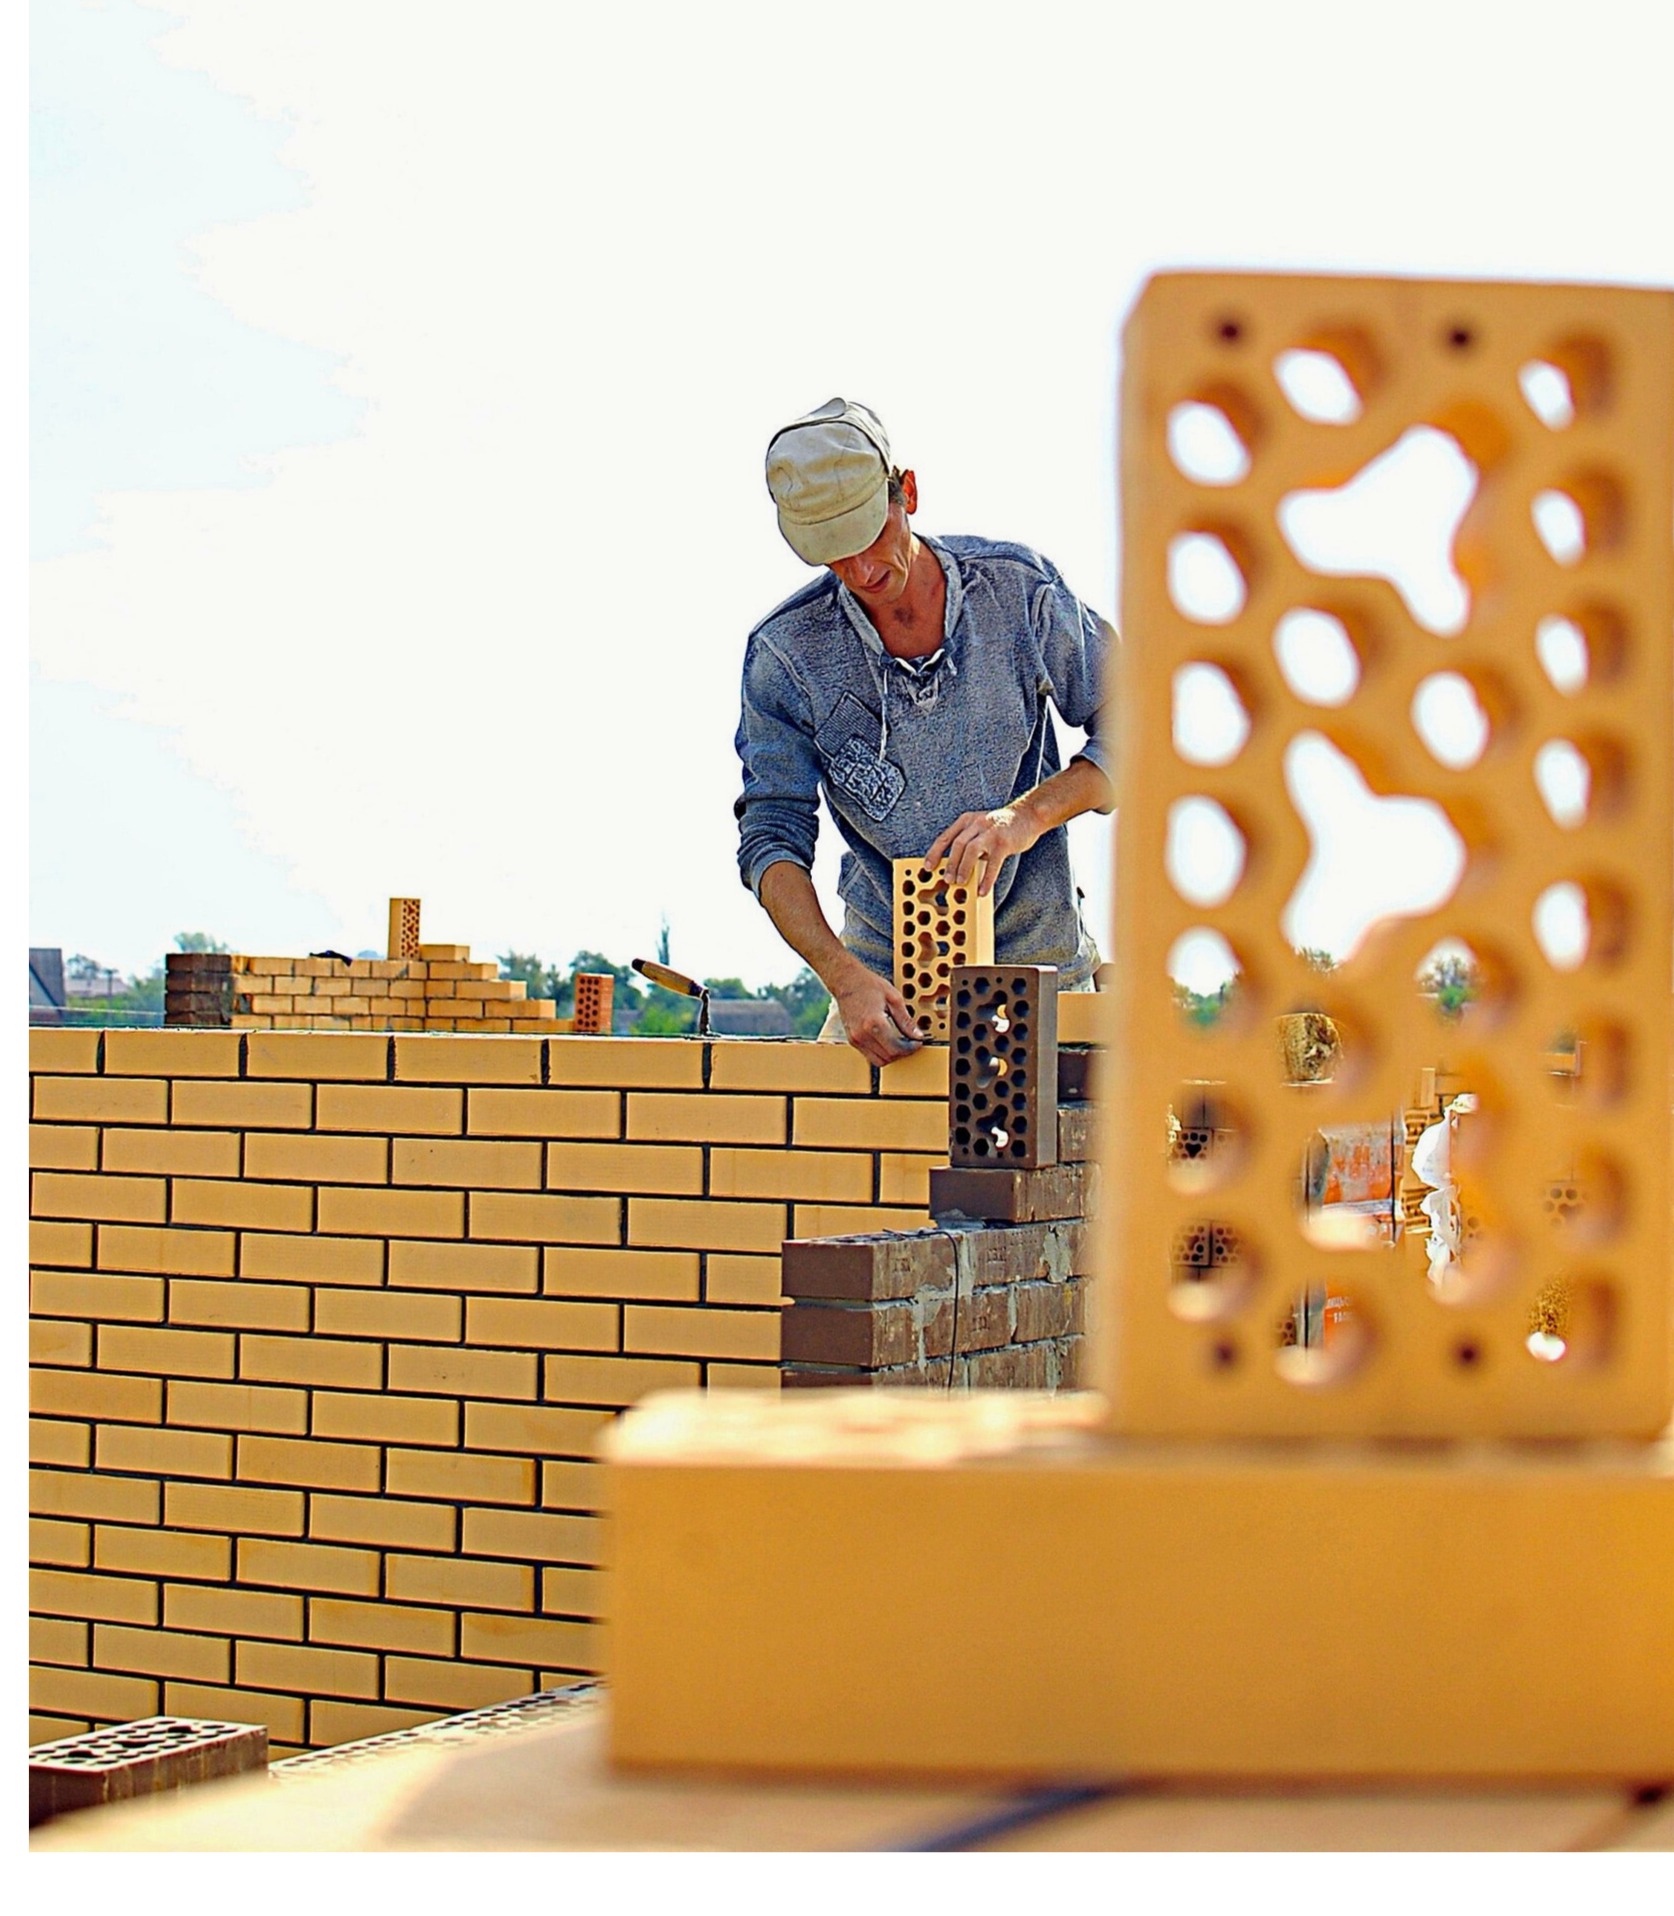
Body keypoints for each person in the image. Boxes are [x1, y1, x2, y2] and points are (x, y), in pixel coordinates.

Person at [734, 397, 1117, 1067]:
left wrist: (1024, 818)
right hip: (886, 1000)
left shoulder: (1015, 593)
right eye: (835, 556)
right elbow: (771, 838)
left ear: (906, 492)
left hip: (1043, 975)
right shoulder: (787, 656)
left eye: (869, 536)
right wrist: (843, 976)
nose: (861, 571)